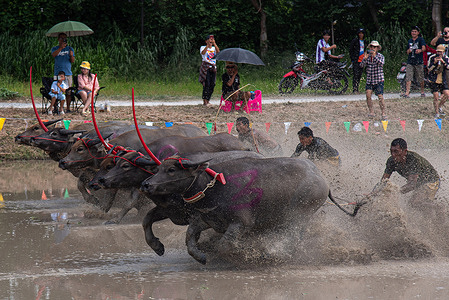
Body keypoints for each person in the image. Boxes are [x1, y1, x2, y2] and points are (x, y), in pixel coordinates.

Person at [360, 40, 387, 120]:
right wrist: (364, 59)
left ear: (377, 48)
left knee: (380, 96)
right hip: (370, 79)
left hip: (378, 79)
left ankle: (383, 112)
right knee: (368, 95)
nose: (373, 48)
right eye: (372, 47)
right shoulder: (367, 57)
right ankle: (371, 112)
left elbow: (381, 64)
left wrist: (374, 56)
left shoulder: (380, 56)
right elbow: (361, 66)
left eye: (375, 47)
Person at [51, 32, 75, 113]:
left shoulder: (70, 49)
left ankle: (67, 108)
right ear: (58, 39)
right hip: (57, 73)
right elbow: (53, 55)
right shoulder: (55, 48)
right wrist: (61, 48)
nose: (63, 40)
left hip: (67, 73)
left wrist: (71, 55)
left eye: (65, 39)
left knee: (68, 91)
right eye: (61, 38)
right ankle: (55, 108)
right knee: (56, 89)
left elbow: (72, 61)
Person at [402, 26, 426, 98]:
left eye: (415, 31)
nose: (413, 33)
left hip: (418, 61)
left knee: (420, 77)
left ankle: (422, 91)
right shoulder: (410, 41)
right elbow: (407, 51)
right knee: (408, 77)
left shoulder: (420, 39)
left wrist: (420, 50)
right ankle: (407, 92)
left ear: (418, 33)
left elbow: (424, 48)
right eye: (412, 31)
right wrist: (409, 51)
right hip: (410, 61)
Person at [427, 44, 449, 118]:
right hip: (434, 80)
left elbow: (448, 67)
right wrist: (434, 63)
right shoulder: (432, 57)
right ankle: (436, 112)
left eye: (441, 52)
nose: (439, 53)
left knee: (447, 94)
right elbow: (429, 68)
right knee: (436, 97)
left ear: (443, 52)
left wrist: (443, 62)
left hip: (442, 79)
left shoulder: (446, 58)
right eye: (438, 52)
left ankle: (439, 107)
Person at [199, 34, 220, 106]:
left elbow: (218, 52)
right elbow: (203, 53)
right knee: (206, 84)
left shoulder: (214, 48)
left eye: (212, 39)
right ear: (206, 41)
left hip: (213, 66)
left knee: (212, 84)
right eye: (209, 39)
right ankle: (204, 100)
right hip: (206, 66)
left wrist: (214, 44)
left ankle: (208, 99)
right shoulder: (203, 47)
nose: (211, 40)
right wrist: (208, 45)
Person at [349, 28, 368, 93]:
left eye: (362, 33)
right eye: (360, 33)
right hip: (356, 60)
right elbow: (351, 50)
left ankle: (357, 88)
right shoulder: (355, 41)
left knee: (359, 75)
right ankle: (354, 89)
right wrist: (352, 59)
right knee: (355, 75)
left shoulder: (365, 42)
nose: (361, 35)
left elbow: (365, 50)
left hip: (362, 60)